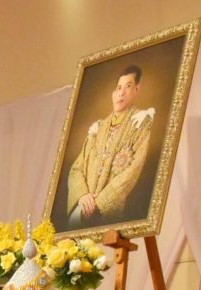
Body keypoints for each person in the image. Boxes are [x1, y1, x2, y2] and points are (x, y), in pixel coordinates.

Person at [66, 64, 154, 229]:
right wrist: (83, 196)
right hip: (83, 206)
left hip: (108, 214)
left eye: (127, 87)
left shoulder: (141, 122)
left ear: (136, 89)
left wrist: (99, 203)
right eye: (118, 87)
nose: (121, 92)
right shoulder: (97, 128)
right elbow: (76, 169)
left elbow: (133, 170)